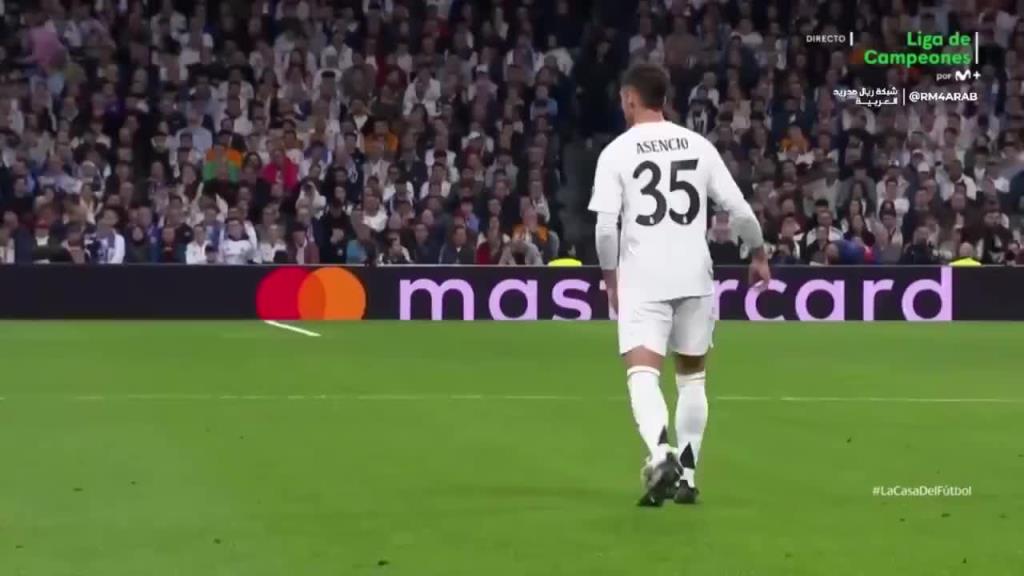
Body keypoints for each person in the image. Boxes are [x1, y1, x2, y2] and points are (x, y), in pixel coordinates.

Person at [588, 63, 769, 507]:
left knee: (642, 373)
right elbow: (739, 210)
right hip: (694, 275)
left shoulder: (616, 152)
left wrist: (610, 279)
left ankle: (660, 452)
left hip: (643, 277)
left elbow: (606, 229)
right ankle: (687, 477)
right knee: (692, 379)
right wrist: (759, 254)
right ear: (664, 99)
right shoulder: (698, 145)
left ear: (631, 98)